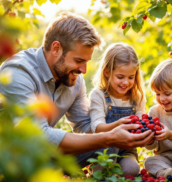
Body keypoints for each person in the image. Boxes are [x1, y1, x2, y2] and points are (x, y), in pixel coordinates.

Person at [0, 12, 154, 168]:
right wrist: (109, 138)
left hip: (44, 156)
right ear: (56, 49)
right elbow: (37, 136)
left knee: (104, 144)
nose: (84, 70)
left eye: (86, 61)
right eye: (79, 61)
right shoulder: (17, 72)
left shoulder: (74, 80)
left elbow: (84, 126)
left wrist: (128, 133)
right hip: (11, 158)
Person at [89, 43, 146, 176]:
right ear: (107, 72)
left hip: (127, 150)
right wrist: (118, 126)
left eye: (131, 77)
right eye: (120, 77)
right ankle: (99, 170)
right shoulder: (99, 95)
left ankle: (116, 172)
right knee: (104, 171)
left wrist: (146, 134)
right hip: (105, 147)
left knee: (131, 170)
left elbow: (140, 125)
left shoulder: (137, 97)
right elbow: (97, 128)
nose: (125, 82)